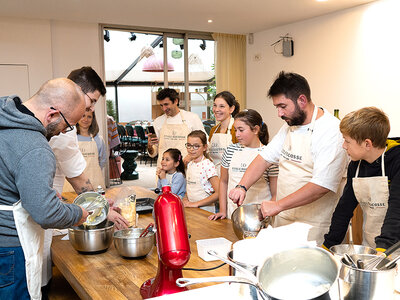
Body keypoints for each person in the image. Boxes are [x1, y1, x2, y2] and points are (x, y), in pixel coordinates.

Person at [229, 71, 348, 245]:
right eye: (277, 107)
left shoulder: (331, 131)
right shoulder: (289, 127)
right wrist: (242, 186)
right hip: (283, 219)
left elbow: (322, 185)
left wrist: (278, 205)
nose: (279, 113)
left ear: (302, 100)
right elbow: (264, 158)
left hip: (314, 225)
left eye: (283, 106)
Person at [0, 78, 89, 300]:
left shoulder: (5, 120)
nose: (63, 132)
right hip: (10, 251)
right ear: (52, 114)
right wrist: (80, 213)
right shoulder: (35, 147)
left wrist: (36, 192)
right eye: (67, 126)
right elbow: (46, 214)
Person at [44, 67, 127, 293]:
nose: (89, 109)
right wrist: (101, 209)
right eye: (90, 102)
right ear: (74, 91)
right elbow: (78, 179)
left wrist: (99, 202)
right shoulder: (64, 129)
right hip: (39, 214)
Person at [323, 107, 400, 251]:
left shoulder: (396, 162)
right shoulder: (355, 166)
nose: (343, 146)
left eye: (347, 141)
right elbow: (343, 210)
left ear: (367, 144)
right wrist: (328, 246)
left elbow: (397, 210)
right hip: (371, 246)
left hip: (393, 249)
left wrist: (383, 250)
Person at [209, 109, 278, 220]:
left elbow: (275, 193)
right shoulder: (230, 150)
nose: (237, 135)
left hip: (259, 216)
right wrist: (223, 210)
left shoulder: (269, 155)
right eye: (235, 130)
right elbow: (223, 181)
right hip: (234, 213)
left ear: (255, 129)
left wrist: (267, 213)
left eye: (241, 130)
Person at [147, 88, 206, 168]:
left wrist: (190, 156)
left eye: (166, 104)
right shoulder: (158, 121)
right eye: (161, 105)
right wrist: (150, 146)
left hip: (186, 168)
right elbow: (153, 153)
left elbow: (204, 143)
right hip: (164, 170)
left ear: (176, 101)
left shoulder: (192, 118)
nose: (164, 109)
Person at [63, 110, 107, 192]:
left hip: (94, 182)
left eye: (89, 117)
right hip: (73, 184)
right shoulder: (70, 137)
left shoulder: (98, 139)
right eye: (83, 116)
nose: (86, 119)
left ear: (93, 119)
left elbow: (102, 160)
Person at [182, 130, 219, 213]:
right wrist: (186, 198)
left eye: (196, 146)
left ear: (205, 147)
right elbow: (190, 187)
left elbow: (219, 193)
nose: (191, 149)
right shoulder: (190, 164)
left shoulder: (208, 165)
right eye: (189, 145)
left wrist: (196, 204)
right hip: (191, 208)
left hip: (205, 210)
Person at [208, 91, 240, 175]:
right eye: (215, 105)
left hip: (232, 175)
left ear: (231, 109)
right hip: (215, 175)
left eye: (221, 106)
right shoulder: (213, 130)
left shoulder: (237, 129)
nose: (216, 110)